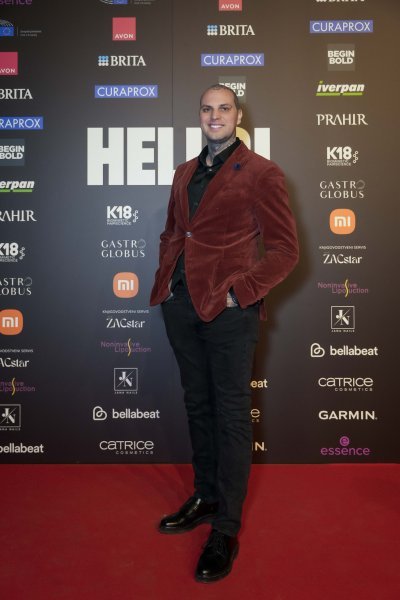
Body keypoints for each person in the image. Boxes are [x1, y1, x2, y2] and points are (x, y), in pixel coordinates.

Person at [150, 84, 299, 583]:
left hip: (230, 313)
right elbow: (174, 232)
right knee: (198, 405)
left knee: (232, 414)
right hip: (181, 306)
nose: (215, 116)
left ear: (237, 116)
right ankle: (206, 495)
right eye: (207, 109)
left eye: (224, 108)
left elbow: (285, 250)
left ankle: (226, 529)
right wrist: (167, 284)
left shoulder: (262, 172)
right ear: (200, 116)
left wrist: (242, 292)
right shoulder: (183, 172)